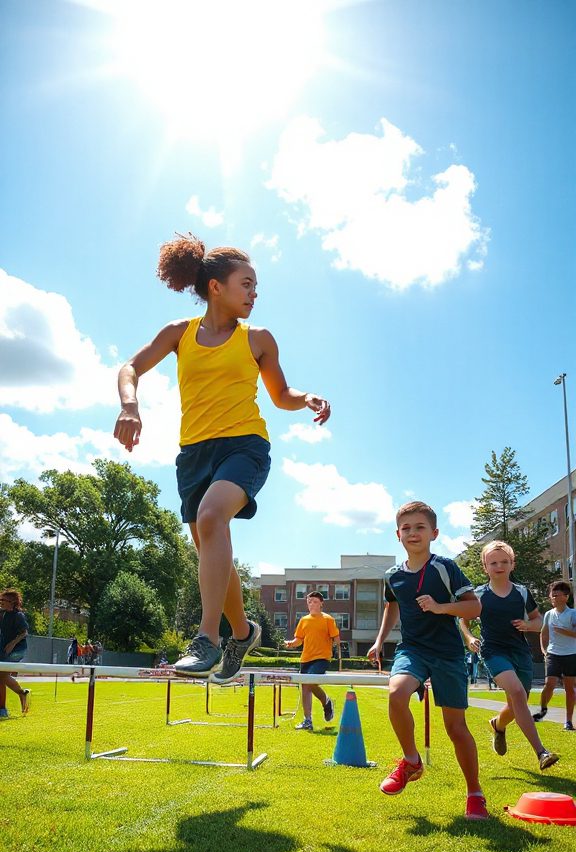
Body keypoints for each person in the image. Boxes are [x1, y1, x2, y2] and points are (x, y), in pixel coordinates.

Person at [114, 234, 330, 683]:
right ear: (216, 286)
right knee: (211, 547)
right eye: (247, 284)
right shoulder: (180, 334)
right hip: (194, 453)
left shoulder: (258, 339)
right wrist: (130, 405)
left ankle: (207, 638)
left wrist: (305, 396)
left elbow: (280, 394)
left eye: (256, 286)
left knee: (213, 518)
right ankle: (243, 630)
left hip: (244, 447)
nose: (255, 293)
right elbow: (130, 367)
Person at [367, 501, 489, 820]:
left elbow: (473, 607)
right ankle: (411, 761)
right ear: (397, 535)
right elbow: (392, 606)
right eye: (406, 528)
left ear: (433, 533)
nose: (413, 533)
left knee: (456, 727)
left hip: (448, 653)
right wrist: (380, 641)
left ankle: (475, 793)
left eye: (420, 527)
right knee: (396, 693)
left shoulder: (445, 567)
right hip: (413, 649)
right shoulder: (392, 576)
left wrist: (440, 607)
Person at [460, 541, 559, 771]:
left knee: (518, 703)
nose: (499, 566)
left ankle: (498, 724)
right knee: (515, 692)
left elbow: (538, 621)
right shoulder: (478, 594)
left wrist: (527, 624)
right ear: (485, 566)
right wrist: (469, 638)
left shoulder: (522, 592)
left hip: (519, 651)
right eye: (493, 562)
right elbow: (462, 619)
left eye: (504, 561)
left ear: (512, 564)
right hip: (493, 651)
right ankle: (541, 752)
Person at [284, 591, 339, 731]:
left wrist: (334, 644)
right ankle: (308, 720)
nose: (312, 604)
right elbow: (299, 640)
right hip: (306, 658)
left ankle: (325, 701)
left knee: (310, 682)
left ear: (321, 603)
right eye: (309, 602)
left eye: (315, 601)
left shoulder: (328, 620)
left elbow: (336, 638)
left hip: (322, 658)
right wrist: (291, 643)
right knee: (306, 687)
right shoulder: (304, 620)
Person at [533, 580, 576, 731]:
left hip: (571, 655)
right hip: (553, 654)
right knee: (549, 684)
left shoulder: (573, 614)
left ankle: (568, 721)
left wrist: (565, 632)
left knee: (569, 688)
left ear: (566, 597)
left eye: (556, 596)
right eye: (552, 596)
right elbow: (543, 633)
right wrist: (544, 650)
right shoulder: (549, 615)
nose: (553, 599)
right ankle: (542, 711)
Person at [0, 588, 31, 718]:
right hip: (5, 649)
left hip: (18, 649)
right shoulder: (3, 614)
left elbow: (24, 633)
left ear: (12, 602)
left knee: (2, 675)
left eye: (3, 600)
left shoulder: (19, 616)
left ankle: (22, 694)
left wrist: (12, 643)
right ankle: (3, 710)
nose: (1, 602)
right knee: (1, 676)